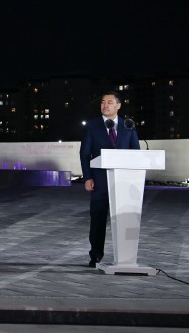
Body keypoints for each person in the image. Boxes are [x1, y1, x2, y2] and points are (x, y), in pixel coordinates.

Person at [80, 90, 139, 267]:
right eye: (103, 102)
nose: (105, 105)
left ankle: (125, 257)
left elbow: (135, 152)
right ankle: (95, 255)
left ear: (118, 105)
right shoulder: (92, 126)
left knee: (124, 219)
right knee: (98, 219)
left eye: (109, 102)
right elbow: (85, 154)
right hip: (100, 182)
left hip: (124, 182)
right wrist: (87, 177)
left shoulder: (128, 125)